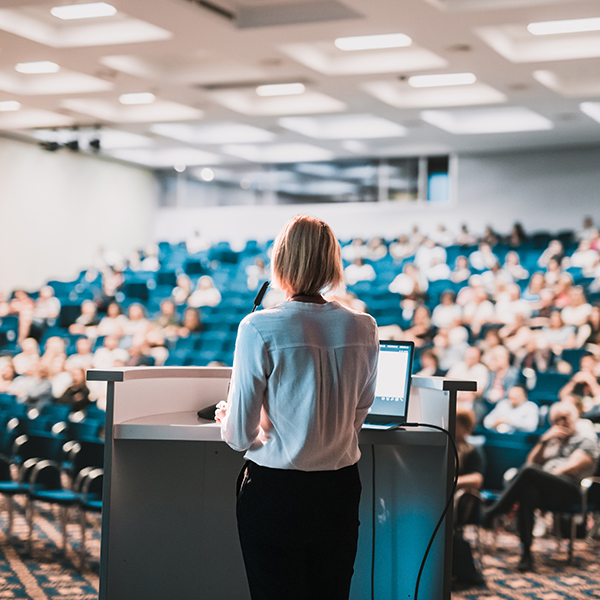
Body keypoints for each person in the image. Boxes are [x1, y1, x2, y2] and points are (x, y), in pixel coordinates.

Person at [217, 215, 379, 600]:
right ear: (331, 262)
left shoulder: (258, 327)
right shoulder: (364, 327)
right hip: (338, 489)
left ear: (281, 262)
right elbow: (358, 412)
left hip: (276, 492)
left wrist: (227, 418)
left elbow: (239, 436)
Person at [483, 401, 599, 572]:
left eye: (564, 418)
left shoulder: (585, 438)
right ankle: (526, 554)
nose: (560, 424)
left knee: (530, 473)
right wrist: (543, 441)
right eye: (555, 421)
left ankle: (497, 510)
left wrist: (542, 476)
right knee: (527, 493)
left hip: (573, 490)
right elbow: (530, 462)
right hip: (548, 489)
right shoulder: (553, 439)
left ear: (575, 418)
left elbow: (574, 467)